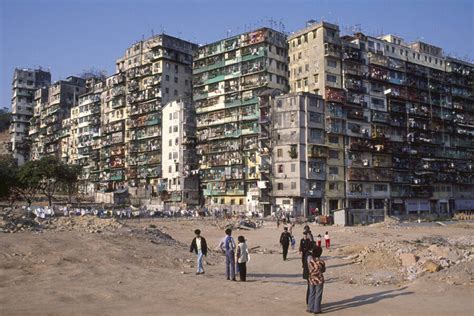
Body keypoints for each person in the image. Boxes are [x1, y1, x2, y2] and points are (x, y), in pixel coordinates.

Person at [307, 246, 326, 314]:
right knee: (318, 294)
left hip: (311, 278)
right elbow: (323, 270)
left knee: (311, 293)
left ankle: (310, 308)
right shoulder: (321, 262)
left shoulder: (310, 260)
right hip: (319, 279)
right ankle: (317, 309)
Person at [302, 241, 316, 305]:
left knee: (310, 288)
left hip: (309, 274)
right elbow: (310, 266)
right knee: (310, 289)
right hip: (309, 274)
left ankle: (309, 302)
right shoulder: (309, 255)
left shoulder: (308, 253)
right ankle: (309, 303)